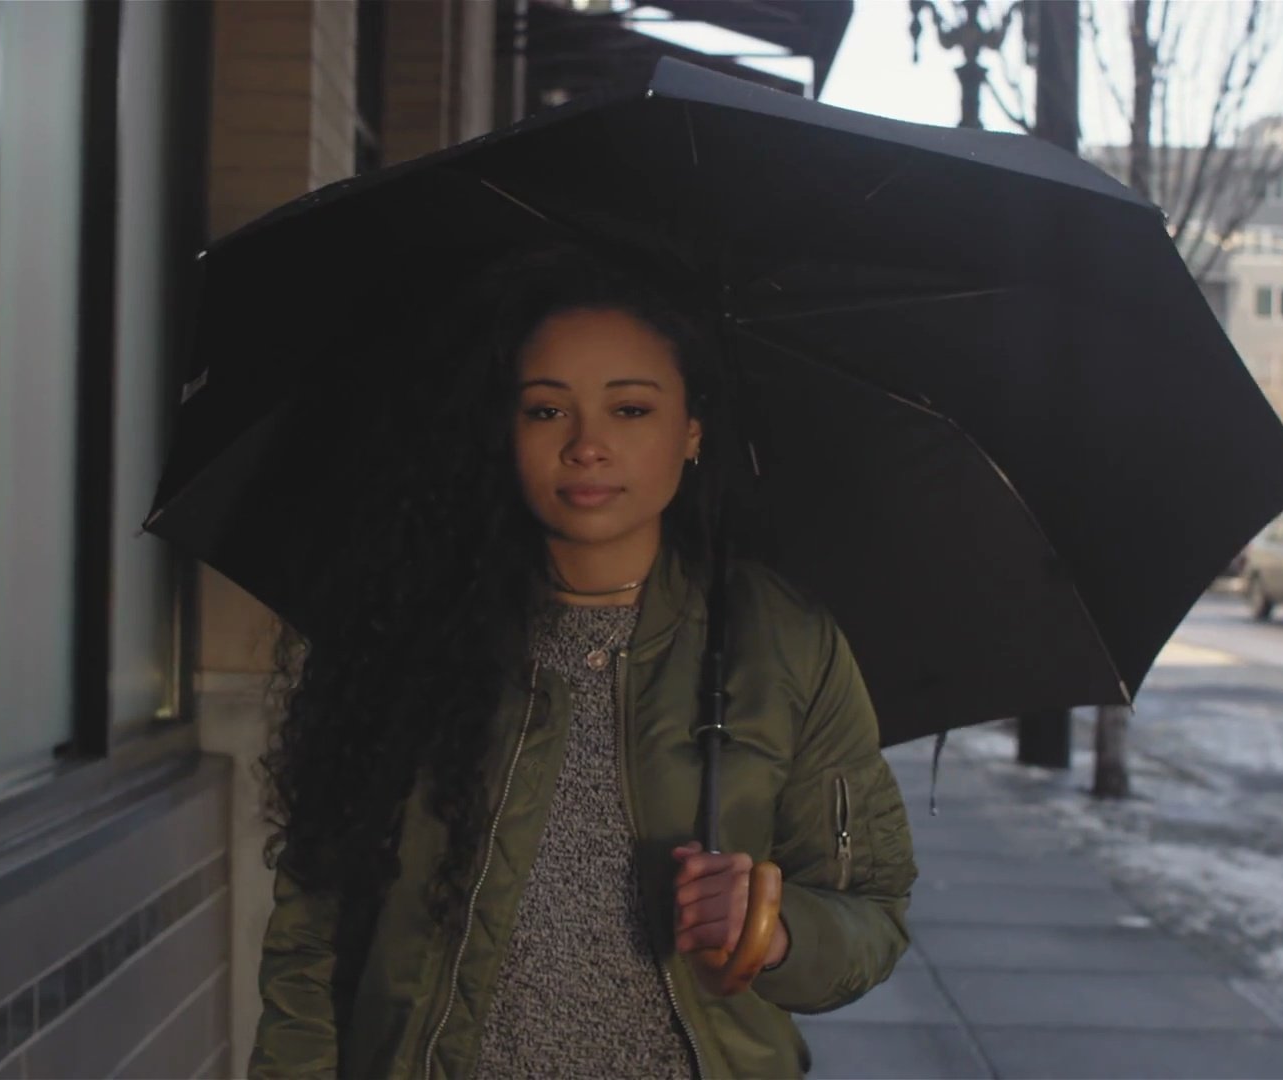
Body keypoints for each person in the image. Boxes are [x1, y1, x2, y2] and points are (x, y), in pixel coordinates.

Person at [249, 244, 917, 1079]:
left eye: (630, 410)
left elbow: (873, 912)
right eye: (545, 411)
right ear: (504, 432)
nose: (587, 446)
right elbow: (313, 938)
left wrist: (773, 932)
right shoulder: (408, 632)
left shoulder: (780, 642)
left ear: (692, 431)